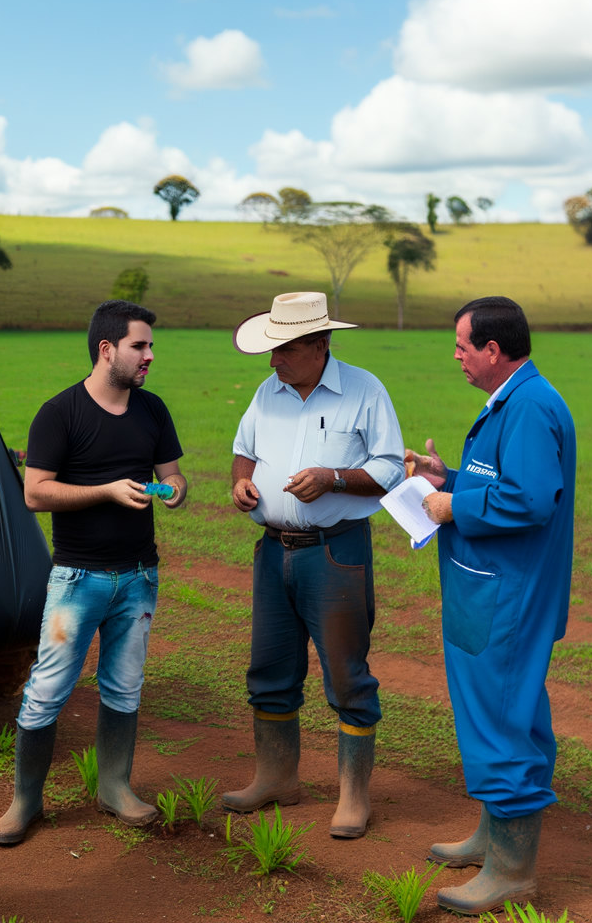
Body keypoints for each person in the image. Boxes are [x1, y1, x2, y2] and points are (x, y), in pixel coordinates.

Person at [0, 299, 187, 846]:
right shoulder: (60, 414)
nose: (150, 355)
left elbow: (175, 476)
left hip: (139, 579)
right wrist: (105, 490)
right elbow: (35, 492)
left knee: (124, 688)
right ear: (107, 350)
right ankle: (25, 802)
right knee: (47, 690)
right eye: (139, 346)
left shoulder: (153, 411)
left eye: (150, 346)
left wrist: (173, 492)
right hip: (77, 581)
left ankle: (115, 788)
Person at [405, 296, 577, 916]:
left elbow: (530, 502)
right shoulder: (514, 400)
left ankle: (511, 869)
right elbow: (503, 482)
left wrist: (456, 508)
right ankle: (492, 834)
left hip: (507, 596)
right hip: (491, 588)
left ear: (493, 351)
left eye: (462, 346)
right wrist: (447, 478)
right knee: (506, 712)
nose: (455, 356)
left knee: (502, 719)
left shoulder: (529, 407)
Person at [222, 291, 404, 840]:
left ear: (318, 344)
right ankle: (276, 778)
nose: (273, 360)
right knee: (270, 671)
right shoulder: (266, 391)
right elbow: (243, 449)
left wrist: (335, 477)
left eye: (282, 349)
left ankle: (354, 795)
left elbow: (391, 468)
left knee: (347, 676)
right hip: (273, 550)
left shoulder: (365, 392)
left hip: (335, 553)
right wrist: (240, 481)